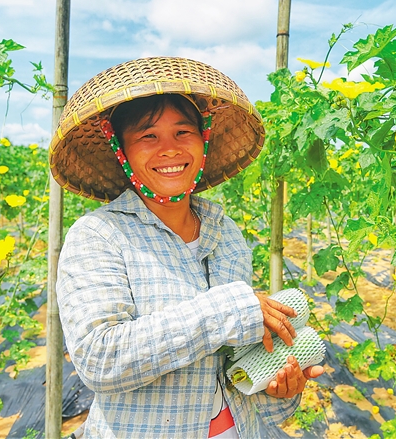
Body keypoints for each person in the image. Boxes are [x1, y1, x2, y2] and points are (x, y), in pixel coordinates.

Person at [51, 57, 324, 438]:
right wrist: (228, 310)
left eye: (183, 132)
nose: (169, 149)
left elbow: (233, 366)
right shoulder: (98, 235)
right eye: (148, 136)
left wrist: (276, 388)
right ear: (121, 150)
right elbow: (100, 359)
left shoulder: (226, 233)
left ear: (203, 139)